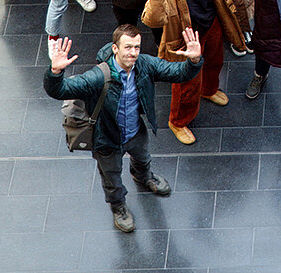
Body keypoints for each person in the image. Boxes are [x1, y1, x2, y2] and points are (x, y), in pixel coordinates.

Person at [44, 26, 200, 233]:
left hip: (135, 131)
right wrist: (55, 72)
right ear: (115, 48)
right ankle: (118, 207)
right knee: (112, 178)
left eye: (137, 47)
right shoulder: (98, 77)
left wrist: (194, 61)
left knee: (143, 158)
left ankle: (143, 176)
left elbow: (178, 73)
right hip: (107, 139)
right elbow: (60, 90)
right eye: (128, 47)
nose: (133, 52)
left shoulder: (144, 64)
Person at [142, 0, 248, 145]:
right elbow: (151, 19)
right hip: (186, 39)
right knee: (186, 84)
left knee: (215, 63)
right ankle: (178, 121)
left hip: (211, 26)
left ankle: (208, 90)